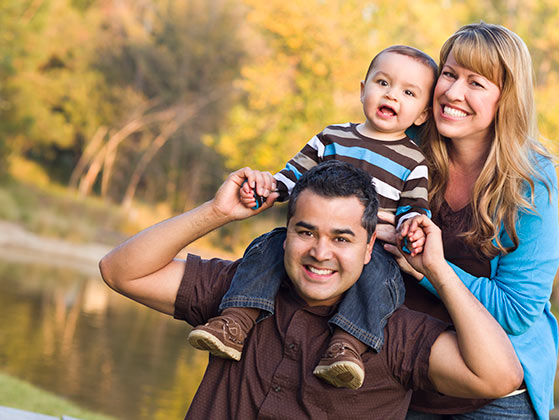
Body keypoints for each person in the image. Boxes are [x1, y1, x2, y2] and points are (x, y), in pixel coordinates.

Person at [99, 160, 523, 419]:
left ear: (369, 246)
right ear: (286, 234)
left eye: (341, 238)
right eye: (306, 232)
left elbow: (499, 377)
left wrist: (437, 269)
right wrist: (216, 212)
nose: (321, 252)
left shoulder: (394, 335)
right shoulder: (241, 295)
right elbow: (120, 270)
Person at [187, 45, 437, 390]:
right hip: (312, 235)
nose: (392, 95)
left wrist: (412, 228)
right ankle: (236, 320)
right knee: (269, 246)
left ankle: (347, 347)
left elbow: (414, 210)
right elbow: (291, 178)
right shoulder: (332, 137)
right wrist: (265, 188)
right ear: (362, 88)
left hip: (370, 246)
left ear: (422, 115)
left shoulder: (414, 161)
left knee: (381, 277)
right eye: (383, 83)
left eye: (408, 92)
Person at [385, 23, 559, 420]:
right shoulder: (403, 146)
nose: (453, 93)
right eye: (449, 74)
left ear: (506, 99)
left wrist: (427, 269)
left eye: (475, 83)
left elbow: (516, 311)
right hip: (401, 374)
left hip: (493, 395)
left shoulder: (529, 183)